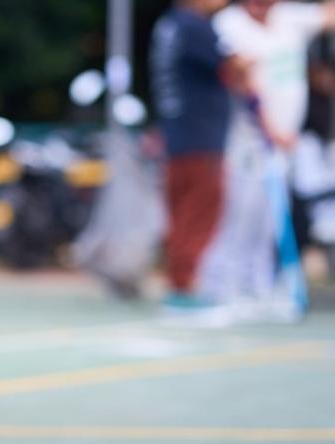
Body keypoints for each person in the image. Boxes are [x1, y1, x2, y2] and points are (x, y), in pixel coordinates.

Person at [202, 0, 335, 316]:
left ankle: (256, 286)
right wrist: (270, 129)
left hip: (282, 144)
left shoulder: (288, 17)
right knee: (240, 215)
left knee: (270, 218)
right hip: (246, 141)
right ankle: (222, 288)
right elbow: (240, 79)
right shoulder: (230, 24)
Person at [149, 0, 243, 310]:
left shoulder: (170, 25)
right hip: (201, 137)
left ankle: (180, 283)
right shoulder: (194, 26)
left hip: (178, 134)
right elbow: (230, 67)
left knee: (182, 213)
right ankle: (183, 287)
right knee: (199, 212)